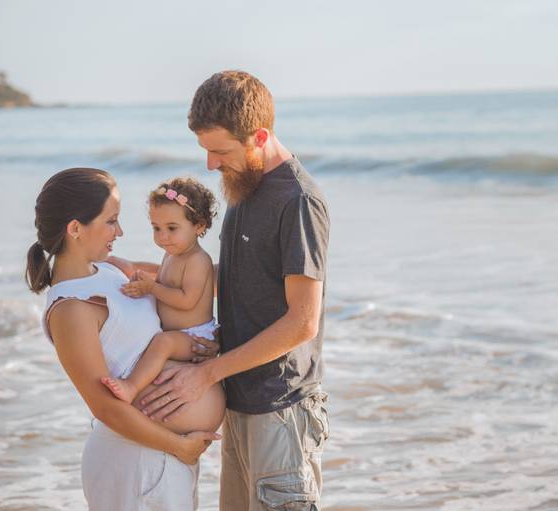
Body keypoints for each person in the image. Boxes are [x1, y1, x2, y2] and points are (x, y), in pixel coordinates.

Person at [139, 71, 331, 510]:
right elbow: (241, 278)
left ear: (259, 136)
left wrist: (205, 374)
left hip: (280, 411)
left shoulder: (298, 201)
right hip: (239, 399)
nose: (210, 164)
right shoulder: (244, 185)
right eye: (205, 150)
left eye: (220, 151)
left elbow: (303, 321)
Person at [26, 167, 222, 510]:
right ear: (75, 229)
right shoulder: (71, 308)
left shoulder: (111, 269)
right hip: (137, 461)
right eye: (111, 221)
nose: (120, 231)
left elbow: (188, 282)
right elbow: (104, 406)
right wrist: (178, 447)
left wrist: (204, 343)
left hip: (160, 459)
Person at [102, 178, 223, 415]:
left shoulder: (198, 261)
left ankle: (131, 386)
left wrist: (151, 289)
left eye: (171, 228)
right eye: (156, 228)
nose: (162, 237)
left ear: (198, 226)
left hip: (195, 336)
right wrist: (135, 275)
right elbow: (163, 280)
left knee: (163, 343)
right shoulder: (172, 255)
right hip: (179, 333)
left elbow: (187, 300)